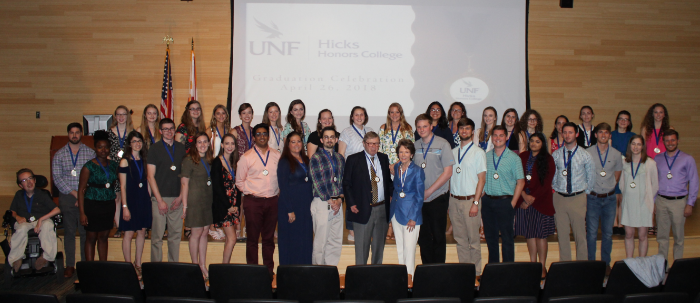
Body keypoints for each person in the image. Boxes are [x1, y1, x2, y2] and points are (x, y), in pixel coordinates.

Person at [236, 123, 281, 275]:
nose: (262, 137)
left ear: (268, 136)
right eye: (259, 134)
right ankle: (253, 272)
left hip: (273, 201)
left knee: (268, 239)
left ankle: (269, 270)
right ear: (254, 137)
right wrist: (251, 192)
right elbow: (239, 181)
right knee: (253, 239)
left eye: (264, 134)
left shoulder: (276, 155)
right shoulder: (246, 157)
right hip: (253, 202)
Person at [344, 131, 393, 265]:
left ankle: (376, 277)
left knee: (378, 248)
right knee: (362, 249)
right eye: (370, 144)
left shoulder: (383, 158)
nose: (373, 147)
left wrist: (391, 196)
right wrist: (351, 203)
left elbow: (388, 181)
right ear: (364, 144)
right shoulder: (353, 159)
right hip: (361, 209)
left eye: (376, 144)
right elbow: (346, 184)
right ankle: (360, 279)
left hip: (382, 208)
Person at [52, 122, 93, 277]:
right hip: (68, 197)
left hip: (86, 196)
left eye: (77, 132)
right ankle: (69, 265)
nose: (74, 135)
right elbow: (57, 177)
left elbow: (93, 175)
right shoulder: (60, 154)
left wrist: (82, 194)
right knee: (69, 232)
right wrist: (75, 194)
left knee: (84, 232)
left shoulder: (90, 153)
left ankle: (84, 265)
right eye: (71, 132)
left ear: (81, 133)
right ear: (68, 134)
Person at [413, 114, 454, 264]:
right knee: (423, 237)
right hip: (420, 199)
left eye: (425, 126)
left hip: (437, 197)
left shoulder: (443, 144)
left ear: (431, 126)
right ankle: (427, 270)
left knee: (438, 236)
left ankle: (439, 271)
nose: (422, 129)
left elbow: (448, 172)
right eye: (419, 127)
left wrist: (429, 191)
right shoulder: (415, 145)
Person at [552, 122, 595, 261]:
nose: (567, 135)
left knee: (580, 234)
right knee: (562, 235)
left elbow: (591, 177)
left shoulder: (585, 155)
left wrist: (584, 193)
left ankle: (582, 267)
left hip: (578, 197)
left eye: (570, 132)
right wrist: (557, 190)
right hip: (559, 198)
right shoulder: (556, 154)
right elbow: (553, 176)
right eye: (565, 132)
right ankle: (565, 266)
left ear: (576, 134)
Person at [482, 125, 525, 263]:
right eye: (495, 135)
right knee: (491, 239)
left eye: (501, 135)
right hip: (488, 202)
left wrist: (512, 202)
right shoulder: (486, 156)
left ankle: (508, 271)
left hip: (505, 201)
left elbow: (521, 182)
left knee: (507, 239)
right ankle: (494, 270)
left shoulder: (514, 158)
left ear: (506, 137)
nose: (498, 138)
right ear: (491, 138)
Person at [449, 118, 486, 275]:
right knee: (460, 240)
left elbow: (482, 180)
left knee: (473, 241)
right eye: (461, 128)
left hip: (470, 201)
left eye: (467, 128)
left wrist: (476, 203)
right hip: (454, 201)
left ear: (472, 131)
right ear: (458, 130)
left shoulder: (478, 153)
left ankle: (476, 273)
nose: (464, 131)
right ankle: (466, 273)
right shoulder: (452, 152)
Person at [585, 123, 623, 274]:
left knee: (607, 233)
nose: (603, 135)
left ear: (609, 135)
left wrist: (611, 186)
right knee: (592, 233)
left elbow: (618, 173)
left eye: (606, 133)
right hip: (592, 198)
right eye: (600, 132)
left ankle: (606, 263)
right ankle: (591, 263)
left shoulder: (616, 154)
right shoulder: (587, 153)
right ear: (596, 135)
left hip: (609, 199)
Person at [654, 129, 698, 262]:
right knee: (662, 237)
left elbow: (694, 181)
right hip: (661, 201)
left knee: (679, 237)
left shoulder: (687, 159)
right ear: (664, 142)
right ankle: (663, 267)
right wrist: (654, 201)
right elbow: (655, 181)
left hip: (679, 202)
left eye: (673, 140)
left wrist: (690, 204)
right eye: (667, 140)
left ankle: (678, 268)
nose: (670, 143)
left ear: (678, 141)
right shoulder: (658, 158)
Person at [516, 133, 555, 278]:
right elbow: (517, 178)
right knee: (530, 235)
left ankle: (542, 266)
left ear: (542, 144)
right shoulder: (523, 157)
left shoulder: (548, 159)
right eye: (531, 141)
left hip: (541, 202)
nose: (533, 144)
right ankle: (533, 264)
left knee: (541, 236)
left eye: (537, 141)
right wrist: (524, 197)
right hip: (524, 200)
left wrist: (531, 199)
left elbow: (547, 183)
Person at [147, 118, 186, 262]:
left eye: (171, 128)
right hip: (159, 199)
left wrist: (181, 197)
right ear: (160, 131)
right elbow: (150, 177)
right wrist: (159, 201)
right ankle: (156, 270)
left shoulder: (181, 148)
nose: (169, 132)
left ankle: (172, 267)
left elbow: (185, 176)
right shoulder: (154, 149)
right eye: (165, 129)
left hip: (177, 198)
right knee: (157, 237)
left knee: (175, 236)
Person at [9, 169, 61, 272]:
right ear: (20, 185)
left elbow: (57, 209)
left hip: (42, 220)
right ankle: (16, 258)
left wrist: (41, 219)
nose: (29, 182)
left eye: (30, 178)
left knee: (47, 225)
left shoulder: (42, 194)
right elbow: (12, 211)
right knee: (21, 228)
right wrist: (17, 217)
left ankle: (46, 257)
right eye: (24, 180)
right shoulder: (19, 195)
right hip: (25, 222)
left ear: (35, 180)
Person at [78, 130, 119, 261]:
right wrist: (82, 213)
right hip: (92, 204)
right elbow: (81, 190)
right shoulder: (88, 166)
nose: (103, 150)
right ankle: (90, 269)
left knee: (103, 237)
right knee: (91, 238)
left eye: (106, 147)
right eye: (100, 147)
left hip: (108, 205)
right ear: (95, 148)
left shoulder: (113, 165)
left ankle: (103, 267)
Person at [180, 132, 215, 279]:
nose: (202, 145)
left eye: (205, 142)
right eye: (199, 142)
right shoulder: (189, 160)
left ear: (208, 143)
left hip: (207, 201)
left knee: (204, 233)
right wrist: (185, 205)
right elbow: (184, 183)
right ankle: (195, 267)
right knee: (195, 234)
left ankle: (202, 264)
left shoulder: (209, 159)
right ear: (195, 144)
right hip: (194, 202)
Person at [309, 126, 345, 265]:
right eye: (326, 137)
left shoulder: (340, 158)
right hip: (323, 203)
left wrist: (340, 200)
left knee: (335, 242)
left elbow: (342, 181)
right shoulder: (316, 158)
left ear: (336, 140)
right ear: (321, 140)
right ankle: (318, 275)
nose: (329, 140)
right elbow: (317, 182)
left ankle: (331, 272)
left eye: (332, 137)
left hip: (338, 204)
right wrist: (331, 200)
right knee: (320, 243)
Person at [118, 131, 152, 278]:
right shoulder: (125, 161)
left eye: (139, 141)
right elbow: (123, 187)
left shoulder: (144, 160)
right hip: (130, 200)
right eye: (134, 141)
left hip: (143, 199)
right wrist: (125, 207)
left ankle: (138, 263)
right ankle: (128, 265)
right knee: (129, 233)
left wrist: (150, 199)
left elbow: (148, 181)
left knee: (142, 231)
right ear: (129, 144)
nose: (137, 144)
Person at [378, 103, 415, 239]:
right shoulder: (383, 129)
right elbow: (379, 148)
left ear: (401, 114)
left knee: (400, 197)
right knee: (388, 198)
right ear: (389, 114)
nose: (394, 115)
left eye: (397, 112)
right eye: (391, 112)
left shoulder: (407, 129)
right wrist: (388, 165)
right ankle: (389, 226)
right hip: (386, 168)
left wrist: (397, 164)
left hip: (402, 168)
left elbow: (410, 149)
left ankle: (398, 225)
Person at [277, 132, 313, 265]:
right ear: (288, 144)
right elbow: (283, 187)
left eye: (299, 141)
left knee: (305, 240)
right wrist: (289, 210)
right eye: (293, 142)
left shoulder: (307, 159)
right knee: (290, 242)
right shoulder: (284, 162)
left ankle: (304, 272)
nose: (296, 144)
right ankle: (289, 275)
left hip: (305, 206)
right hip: (291, 207)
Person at [339, 106, 374, 241]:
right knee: (352, 201)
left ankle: (367, 227)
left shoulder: (370, 131)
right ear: (352, 117)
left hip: (369, 172)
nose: (359, 117)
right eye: (356, 115)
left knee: (367, 200)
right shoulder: (346, 132)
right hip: (353, 172)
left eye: (362, 115)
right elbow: (342, 154)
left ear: (365, 116)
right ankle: (352, 230)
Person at [620, 135, 658, 258]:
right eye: (633, 144)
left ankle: (642, 262)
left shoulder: (650, 163)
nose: (636, 147)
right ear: (629, 146)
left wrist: (646, 198)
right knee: (629, 234)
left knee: (642, 235)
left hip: (643, 204)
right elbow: (622, 184)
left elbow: (655, 185)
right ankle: (630, 262)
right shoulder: (625, 162)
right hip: (628, 204)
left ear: (643, 146)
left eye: (639, 144)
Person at [391, 139, 425, 276]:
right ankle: (402, 279)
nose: (403, 154)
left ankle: (410, 281)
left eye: (406, 152)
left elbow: (419, 196)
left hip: (411, 215)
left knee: (409, 250)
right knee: (400, 248)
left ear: (411, 154)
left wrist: (413, 217)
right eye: (401, 152)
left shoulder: (417, 171)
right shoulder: (396, 168)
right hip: (396, 212)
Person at [641, 103, 672, 236]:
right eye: (656, 112)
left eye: (661, 112)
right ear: (651, 114)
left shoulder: (670, 129)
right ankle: (650, 223)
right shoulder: (645, 130)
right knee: (649, 195)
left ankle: (660, 223)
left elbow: (671, 148)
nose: (658, 115)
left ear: (664, 114)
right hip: (649, 166)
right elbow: (642, 149)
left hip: (664, 167)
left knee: (661, 196)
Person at [211, 133, 242, 263]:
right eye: (227, 143)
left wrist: (237, 205)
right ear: (222, 145)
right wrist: (228, 206)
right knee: (232, 238)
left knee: (230, 239)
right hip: (224, 207)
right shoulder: (217, 162)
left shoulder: (235, 162)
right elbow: (217, 188)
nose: (230, 146)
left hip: (233, 206)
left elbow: (238, 185)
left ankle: (225, 267)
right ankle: (224, 268)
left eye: (232, 144)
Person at [109, 105, 133, 238]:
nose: (121, 117)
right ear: (115, 117)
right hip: (114, 169)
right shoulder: (109, 133)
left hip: (128, 169)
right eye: (118, 114)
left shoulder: (132, 132)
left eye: (124, 114)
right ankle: (119, 226)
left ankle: (129, 225)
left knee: (128, 197)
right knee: (117, 198)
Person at [208, 104, 231, 239]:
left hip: (226, 166)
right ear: (214, 115)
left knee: (223, 196)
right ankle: (212, 226)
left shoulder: (229, 130)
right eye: (218, 113)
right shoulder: (210, 131)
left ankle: (220, 224)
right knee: (214, 197)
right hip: (214, 166)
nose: (221, 116)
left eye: (223, 113)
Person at [231, 103, 254, 240]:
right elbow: (229, 150)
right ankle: (238, 228)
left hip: (251, 172)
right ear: (240, 115)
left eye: (249, 112)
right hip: (238, 170)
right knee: (238, 200)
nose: (247, 115)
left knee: (248, 201)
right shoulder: (235, 131)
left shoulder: (254, 131)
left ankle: (247, 227)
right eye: (244, 113)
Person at [611, 110, 635, 235]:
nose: (623, 121)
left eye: (626, 119)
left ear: (629, 122)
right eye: (621, 118)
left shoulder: (633, 136)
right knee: (615, 197)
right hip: (614, 169)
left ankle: (622, 224)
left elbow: (636, 152)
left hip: (628, 169)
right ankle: (614, 224)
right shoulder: (611, 135)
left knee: (624, 197)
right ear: (617, 120)